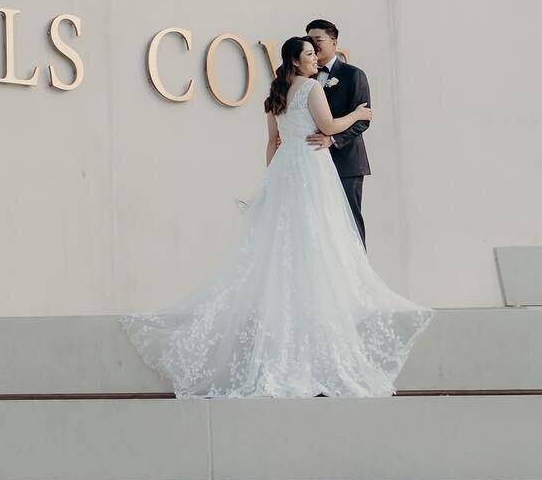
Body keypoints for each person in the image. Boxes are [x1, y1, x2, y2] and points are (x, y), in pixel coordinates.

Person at [122, 34, 432, 399]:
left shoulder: (275, 94)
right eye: (309, 54)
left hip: (285, 168)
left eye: (315, 53)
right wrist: (359, 114)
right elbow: (329, 127)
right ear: (296, 61)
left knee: (284, 242)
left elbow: (272, 141)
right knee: (316, 238)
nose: (315, 59)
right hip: (311, 167)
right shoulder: (311, 88)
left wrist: (271, 179)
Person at [303, 17, 370, 245]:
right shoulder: (306, 78)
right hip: (313, 161)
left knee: (349, 222)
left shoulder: (353, 75)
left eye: (318, 39)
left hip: (346, 163)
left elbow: (363, 120)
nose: (313, 44)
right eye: (310, 40)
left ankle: (359, 278)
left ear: (334, 43)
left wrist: (332, 139)